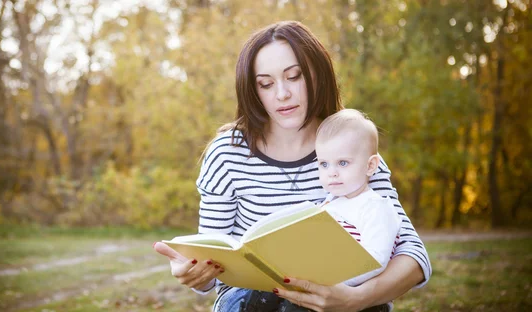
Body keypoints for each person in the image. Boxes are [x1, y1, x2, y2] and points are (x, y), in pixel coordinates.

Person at [154, 21, 431, 312]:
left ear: (317, 77)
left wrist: (355, 299)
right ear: (253, 90)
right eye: (266, 84)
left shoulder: (352, 149)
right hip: (251, 300)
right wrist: (194, 273)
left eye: (294, 77)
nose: (282, 94)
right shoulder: (227, 153)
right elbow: (210, 260)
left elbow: (414, 257)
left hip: (344, 296)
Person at [314, 108, 401, 288]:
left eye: (343, 163)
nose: (332, 173)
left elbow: (374, 260)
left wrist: (333, 283)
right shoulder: (329, 203)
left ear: (370, 166)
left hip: (353, 295)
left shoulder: (375, 208)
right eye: (324, 164)